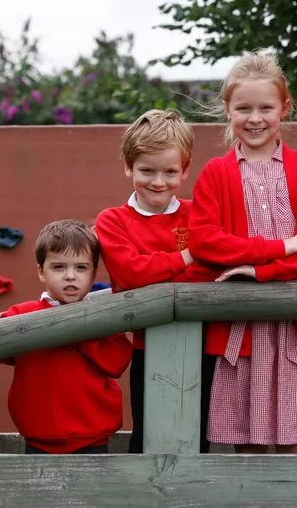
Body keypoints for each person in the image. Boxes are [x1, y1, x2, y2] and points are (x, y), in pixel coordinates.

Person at [188, 52, 297, 454]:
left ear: (285, 107)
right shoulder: (216, 172)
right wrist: (277, 248)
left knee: (296, 445)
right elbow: (204, 240)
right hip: (244, 330)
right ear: (227, 110)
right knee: (247, 446)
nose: (255, 118)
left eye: (266, 107)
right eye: (243, 108)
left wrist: (256, 271)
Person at [95, 109, 214, 454]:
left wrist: (160, 270)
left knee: (200, 436)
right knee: (148, 435)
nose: (158, 182)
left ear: (185, 170)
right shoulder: (113, 220)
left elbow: (209, 274)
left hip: (203, 344)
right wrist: (187, 256)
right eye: (146, 171)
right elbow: (130, 275)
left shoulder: (199, 213)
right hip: (147, 346)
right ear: (129, 167)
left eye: (170, 172)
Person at [0, 219, 132, 454]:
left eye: (81, 267)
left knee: (91, 492)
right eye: (59, 267)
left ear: (94, 273)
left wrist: (79, 329)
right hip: (38, 438)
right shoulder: (25, 315)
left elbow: (117, 363)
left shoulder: (102, 316)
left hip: (94, 438)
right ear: (41, 272)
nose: (70, 276)